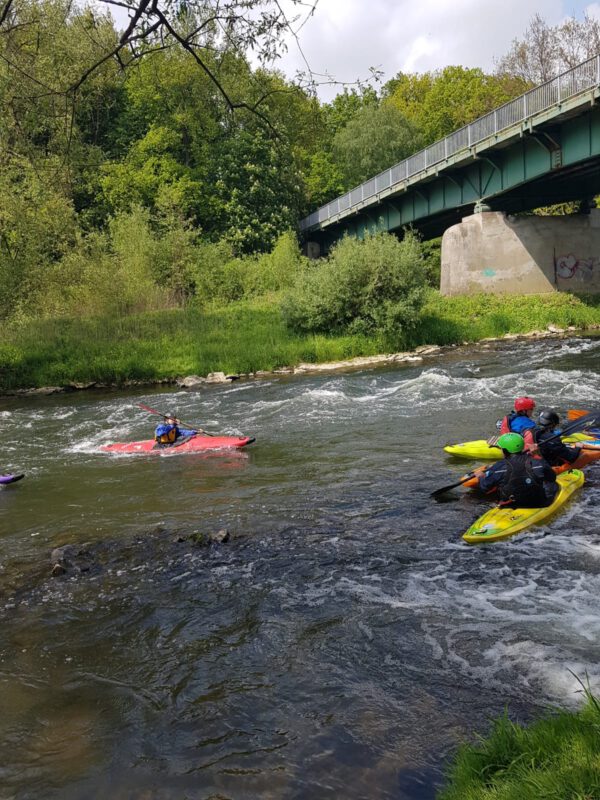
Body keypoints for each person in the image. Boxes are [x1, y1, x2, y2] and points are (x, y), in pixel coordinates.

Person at [478, 432, 558, 508]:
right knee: (553, 485)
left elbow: (485, 488)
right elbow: (552, 478)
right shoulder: (537, 463)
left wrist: (481, 477)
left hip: (510, 505)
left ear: (505, 451)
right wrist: (538, 455)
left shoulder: (498, 467)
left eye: (501, 449)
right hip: (538, 503)